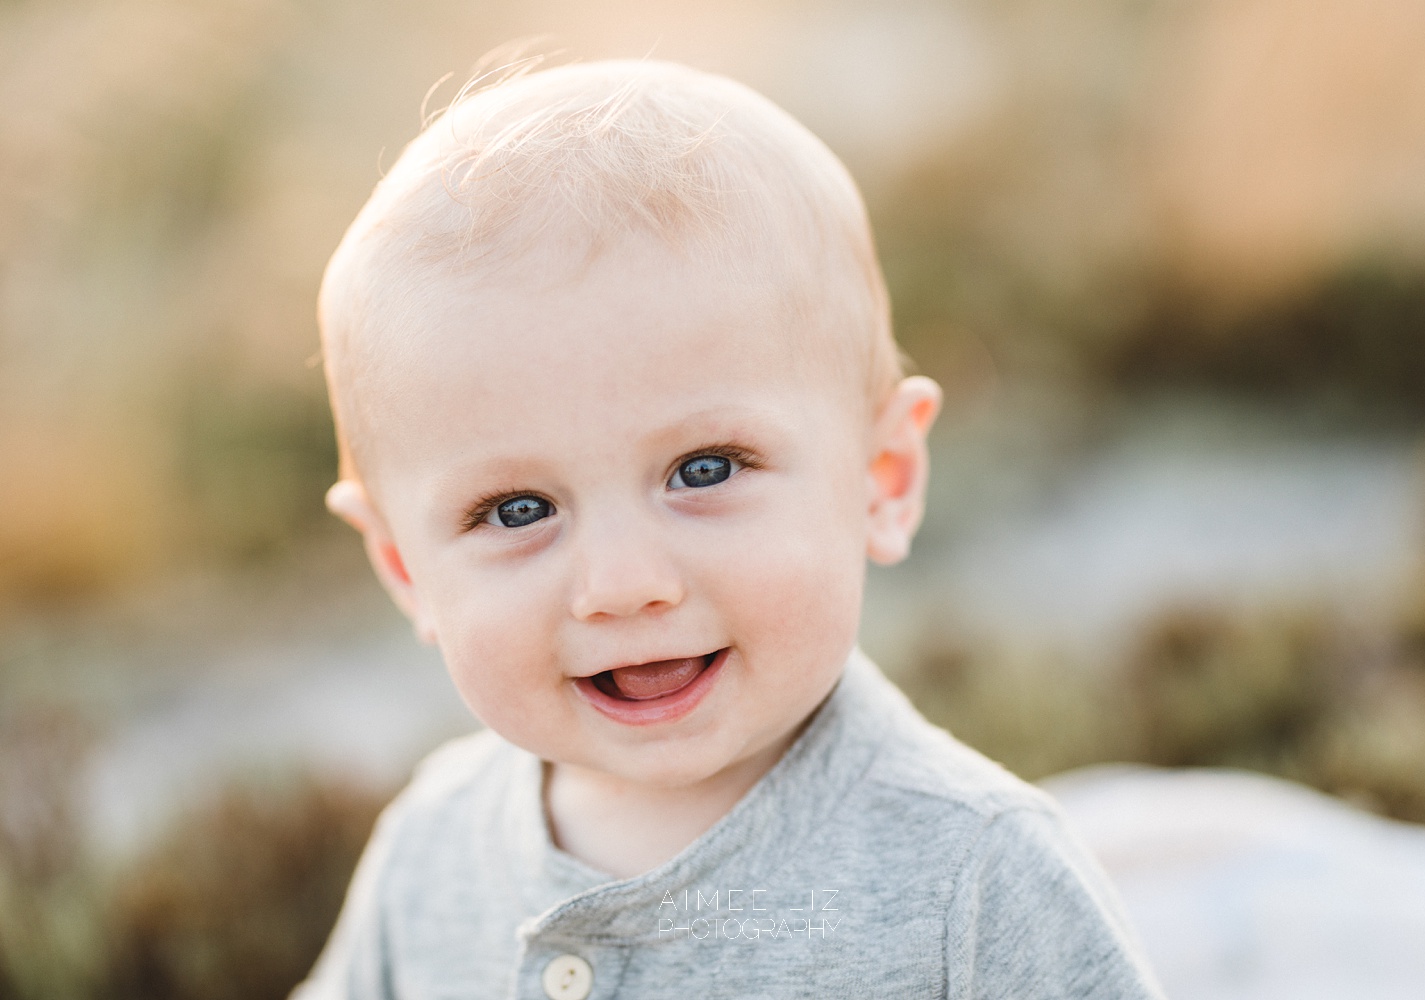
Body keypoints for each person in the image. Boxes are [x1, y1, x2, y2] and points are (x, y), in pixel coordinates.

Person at [293, 57, 1163, 1000]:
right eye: (517, 511)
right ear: (404, 567)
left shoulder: (975, 879)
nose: (623, 583)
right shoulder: (431, 853)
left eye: (703, 470)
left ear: (882, 477)